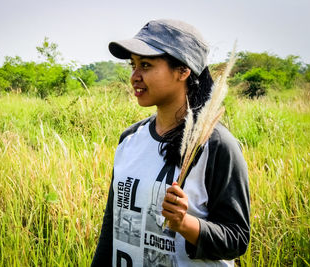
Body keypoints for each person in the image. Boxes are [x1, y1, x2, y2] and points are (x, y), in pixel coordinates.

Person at [92, 19, 250, 266]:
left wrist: (186, 224)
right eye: (132, 65)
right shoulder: (129, 140)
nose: (134, 76)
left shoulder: (215, 145)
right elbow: (112, 225)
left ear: (183, 70)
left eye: (145, 64)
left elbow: (237, 239)